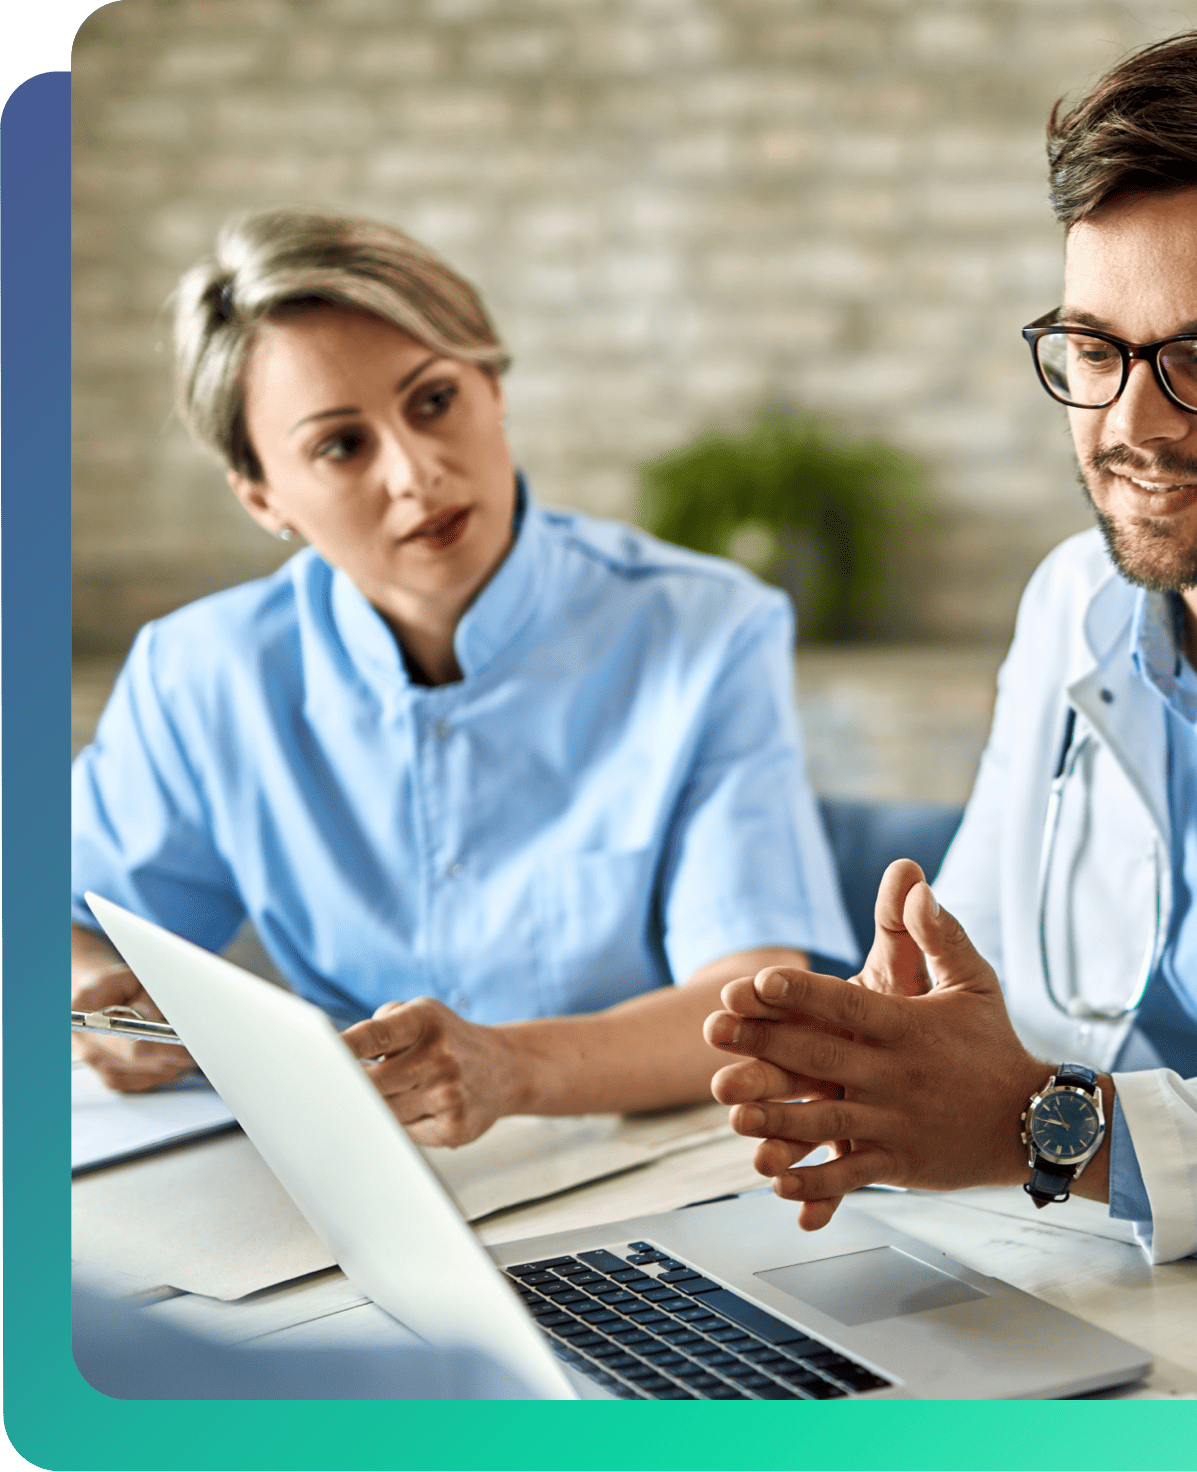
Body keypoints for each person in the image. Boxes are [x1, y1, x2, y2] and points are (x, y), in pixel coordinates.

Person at [706, 31, 1197, 1264]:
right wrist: (875, 1061)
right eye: (1093, 349)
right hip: (1125, 1292)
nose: (1130, 422)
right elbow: (979, 979)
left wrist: (1054, 1131)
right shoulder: (1073, 601)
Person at [72, 206, 856, 1147]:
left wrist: (506, 1069)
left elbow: (748, 1009)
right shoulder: (202, 671)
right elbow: (66, 917)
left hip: (646, 1160)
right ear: (262, 495)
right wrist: (102, 1003)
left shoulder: (705, 627)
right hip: (351, 1170)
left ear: (489, 383)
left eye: (433, 400)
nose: (416, 472)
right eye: (340, 445)